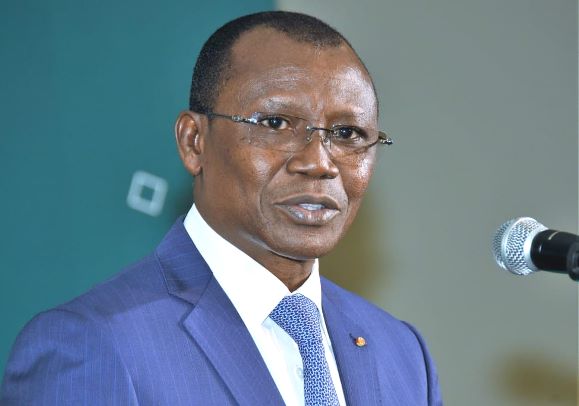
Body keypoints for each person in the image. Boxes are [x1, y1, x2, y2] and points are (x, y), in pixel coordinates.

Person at [1, 11, 442, 405]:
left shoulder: (403, 353)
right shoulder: (93, 344)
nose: (319, 162)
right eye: (276, 123)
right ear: (194, 142)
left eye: (347, 133)